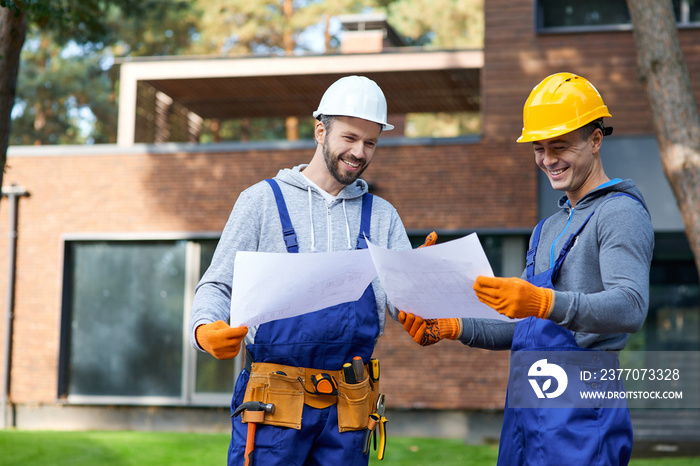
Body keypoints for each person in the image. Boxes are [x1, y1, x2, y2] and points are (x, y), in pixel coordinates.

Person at [398, 72, 654, 465]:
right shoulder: (546, 228)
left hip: (582, 416)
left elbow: (630, 306)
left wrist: (542, 301)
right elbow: (527, 326)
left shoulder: (619, 212)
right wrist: (455, 327)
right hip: (525, 409)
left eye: (560, 146)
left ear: (596, 140)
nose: (548, 159)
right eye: (539, 147)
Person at [189, 75, 411, 466]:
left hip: (349, 409)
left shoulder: (382, 216)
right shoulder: (260, 202)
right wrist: (204, 328)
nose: (360, 152)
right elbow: (218, 283)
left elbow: (406, 304)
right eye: (350, 138)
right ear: (320, 130)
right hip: (275, 407)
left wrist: (424, 289)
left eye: (371, 142)